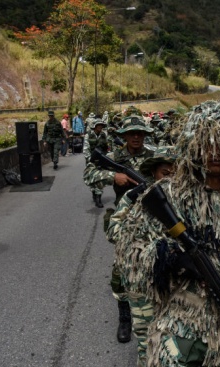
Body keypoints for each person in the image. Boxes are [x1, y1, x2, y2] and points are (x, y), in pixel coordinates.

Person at [118, 101, 220, 366]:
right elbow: (129, 258)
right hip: (177, 326)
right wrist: (168, 256)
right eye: (207, 142)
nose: (215, 151)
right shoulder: (169, 195)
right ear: (193, 144)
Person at [83, 115, 155, 343]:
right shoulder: (115, 157)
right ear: (124, 135)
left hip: (153, 222)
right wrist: (113, 175)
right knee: (122, 270)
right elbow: (88, 174)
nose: (136, 137)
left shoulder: (154, 157)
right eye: (132, 133)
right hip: (124, 222)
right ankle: (125, 317)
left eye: (140, 133)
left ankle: (152, 314)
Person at [108, 146, 177, 367]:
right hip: (143, 284)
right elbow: (114, 233)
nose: (170, 179)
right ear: (154, 174)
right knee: (147, 345)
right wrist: (130, 200)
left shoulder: (188, 202)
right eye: (165, 173)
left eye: (176, 174)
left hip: (177, 286)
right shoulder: (136, 199)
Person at [83, 119, 109, 208]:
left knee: (100, 179)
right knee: (92, 179)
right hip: (91, 161)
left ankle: (98, 198)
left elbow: (106, 147)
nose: (100, 127)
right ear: (94, 126)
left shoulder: (103, 135)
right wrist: (90, 160)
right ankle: (94, 192)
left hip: (101, 161)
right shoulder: (88, 135)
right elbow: (86, 149)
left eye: (101, 125)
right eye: (98, 125)